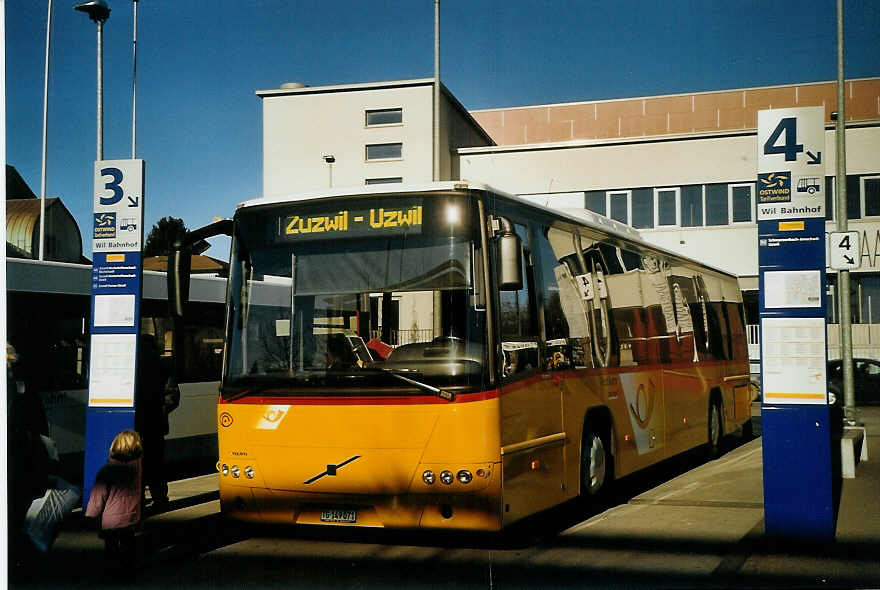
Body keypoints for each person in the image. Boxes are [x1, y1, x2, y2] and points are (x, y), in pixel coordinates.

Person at [7, 342, 51, 568]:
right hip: (22, 456)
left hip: (20, 456)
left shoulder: (21, 389)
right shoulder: (23, 388)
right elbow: (39, 423)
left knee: (17, 506)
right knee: (18, 507)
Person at [85, 429, 144, 568]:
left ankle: (113, 574)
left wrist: (90, 516)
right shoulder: (137, 468)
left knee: (111, 550)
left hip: (111, 522)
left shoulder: (107, 471)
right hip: (131, 517)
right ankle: (129, 570)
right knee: (129, 546)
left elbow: (98, 498)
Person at [134, 333, 176, 510]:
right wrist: (160, 412)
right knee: (156, 465)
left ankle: (140, 499)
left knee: (138, 463)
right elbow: (172, 396)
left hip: (137, 424)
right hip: (155, 425)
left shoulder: (133, 367)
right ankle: (160, 499)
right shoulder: (164, 367)